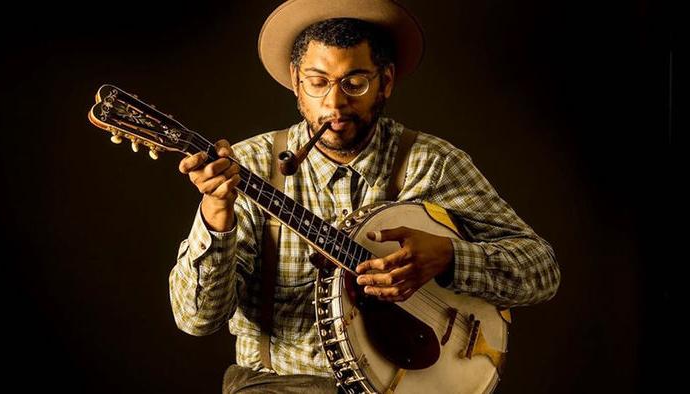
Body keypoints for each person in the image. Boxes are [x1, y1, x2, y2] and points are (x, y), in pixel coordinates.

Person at [169, 0, 560, 392]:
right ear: (296, 82)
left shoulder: (432, 163)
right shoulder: (250, 164)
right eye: (318, 82)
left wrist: (448, 257)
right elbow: (196, 319)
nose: (335, 104)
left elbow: (541, 271)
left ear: (385, 81)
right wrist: (216, 212)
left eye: (354, 83)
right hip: (280, 383)